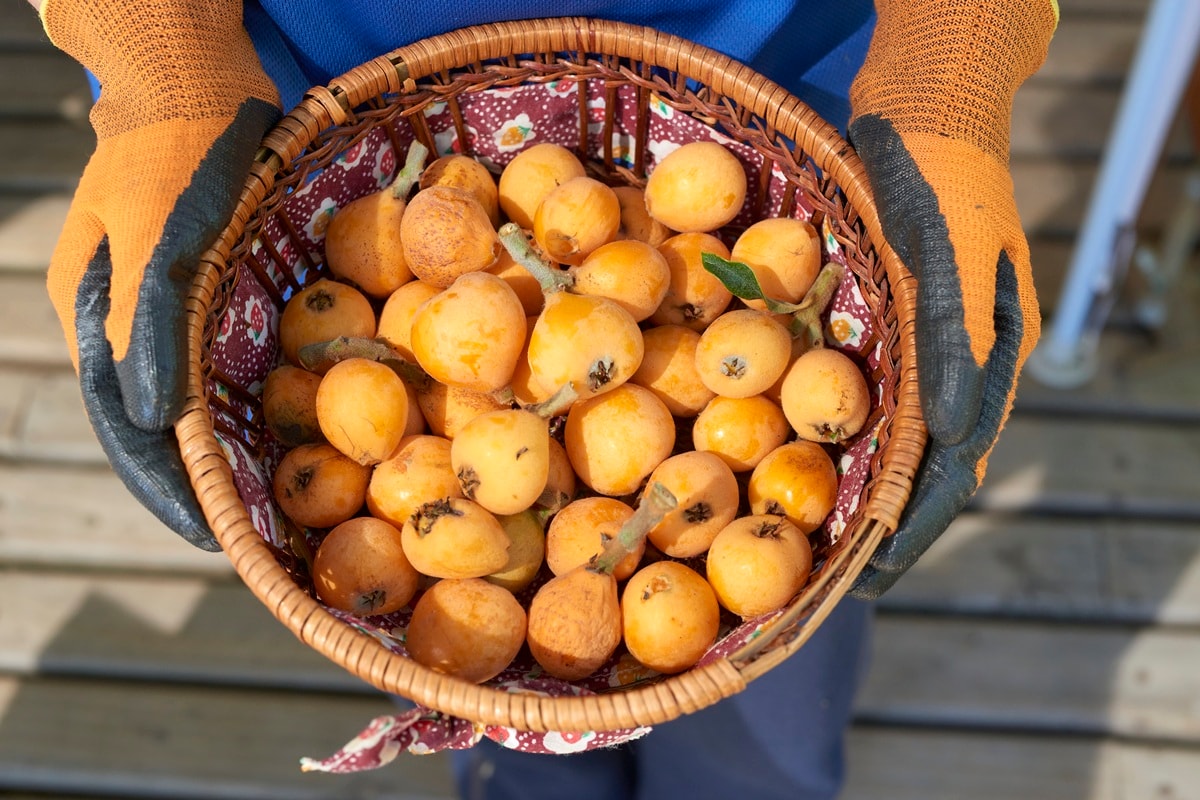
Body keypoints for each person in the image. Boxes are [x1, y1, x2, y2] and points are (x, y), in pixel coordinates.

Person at [28, 0, 1057, 797]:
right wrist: (161, 57)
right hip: (328, 111)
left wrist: (950, 63)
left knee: (768, 734)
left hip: (793, 113)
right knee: (499, 725)